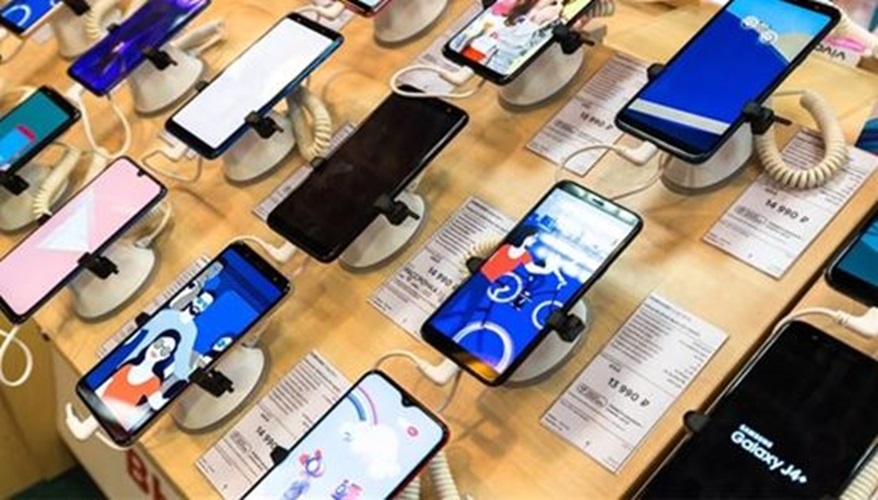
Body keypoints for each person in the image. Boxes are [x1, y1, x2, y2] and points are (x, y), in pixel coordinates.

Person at [97, 330, 181, 428]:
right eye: (159, 344)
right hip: (99, 405)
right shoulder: (128, 366)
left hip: (114, 421)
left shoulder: (153, 381)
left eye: (164, 350)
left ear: (166, 357)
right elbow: (105, 385)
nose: (158, 351)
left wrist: (179, 389)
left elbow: (157, 404)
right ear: (152, 342)